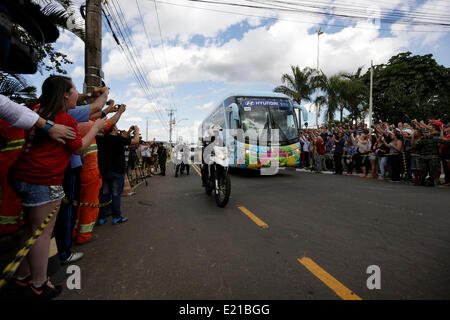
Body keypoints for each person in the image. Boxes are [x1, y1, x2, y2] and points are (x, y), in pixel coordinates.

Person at [7, 75, 106, 299]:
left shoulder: (37, 110)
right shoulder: (65, 119)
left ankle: (22, 277)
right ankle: (40, 284)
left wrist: (90, 94)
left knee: (30, 231)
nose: (77, 96)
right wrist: (97, 126)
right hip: (42, 180)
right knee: (42, 234)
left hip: (20, 175)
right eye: (73, 91)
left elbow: (74, 98)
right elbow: (79, 148)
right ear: (64, 95)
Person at [98, 125, 140, 225]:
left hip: (106, 171)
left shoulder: (103, 138)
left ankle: (102, 217)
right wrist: (137, 131)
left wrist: (129, 131)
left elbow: (122, 137)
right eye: (116, 127)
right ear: (114, 129)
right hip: (117, 172)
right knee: (116, 195)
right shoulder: (119, 139)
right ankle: (116, 217)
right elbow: (135, 141)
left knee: (105, 194)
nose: (118, 129)